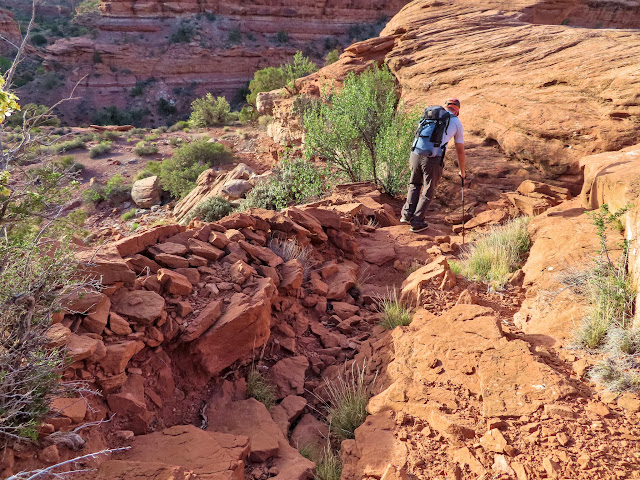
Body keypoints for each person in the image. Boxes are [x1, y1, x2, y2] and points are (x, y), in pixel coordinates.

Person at [400, 98, 466, 233]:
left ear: (445, 107)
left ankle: (406, 215)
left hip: (415, 154)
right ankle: (417, 222)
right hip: (433, 158)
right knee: (428, 189)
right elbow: (460, 150)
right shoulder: (455, 121)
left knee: (414, 184)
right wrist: (462, 171)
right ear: (457, 110)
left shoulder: (430, 116)